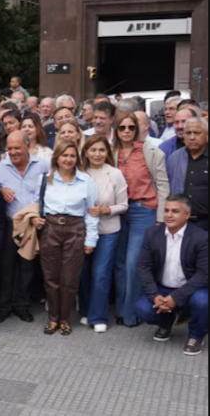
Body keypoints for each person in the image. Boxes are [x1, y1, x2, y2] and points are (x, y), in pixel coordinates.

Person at [35, 140, 99, 336]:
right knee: (51, 278)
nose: (68, 159)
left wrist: (91, 240)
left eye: (72, 156)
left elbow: (91, 212)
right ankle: (53, 318)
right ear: (57, 157)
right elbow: (36, 204)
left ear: (77, 158)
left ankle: (65, 319)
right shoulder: (45, 179)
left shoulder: (86, 181)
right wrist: (35, 219)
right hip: (50, 228)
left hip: (75, 230)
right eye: (64, 155)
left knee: (70, 279)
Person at [113, 111, 170, 328]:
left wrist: (161, 217)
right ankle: (121, 310)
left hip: (143, 210)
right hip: (118, 211)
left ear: (137, 129)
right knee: (119, 263)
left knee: (133, 263)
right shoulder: (111, 152)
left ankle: (131, 313)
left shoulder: (152, 152)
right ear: (116, 130)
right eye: (122, 127)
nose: (127, 131)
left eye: (131, 127)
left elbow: (163, 185)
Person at [134, 195, 208, 356]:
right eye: (166, 210)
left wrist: (176, 298)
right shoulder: (152, 233)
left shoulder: (201, 237)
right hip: (163, 288)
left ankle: (196, 336)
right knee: (142, 309)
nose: (169, 215)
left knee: (203, 302)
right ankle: (167, 322)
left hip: (191, 290)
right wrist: (154, 296)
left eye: (175, 211)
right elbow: (143, 266)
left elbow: (204, 274)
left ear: (187, 215)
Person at [0, 131, 50, 324]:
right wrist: (0, 190)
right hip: (12, 223)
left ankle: (22, 306)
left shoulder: (42, 165)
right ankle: (4, 307)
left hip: (33, 224)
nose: (13, 152)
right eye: (9, 148)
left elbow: (49, 191)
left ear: (27, 146)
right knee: (7, 268)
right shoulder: (2, 166)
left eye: (17, 147)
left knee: (27, 267)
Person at [79, 135, 129, 333]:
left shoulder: (115, 174)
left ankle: (99, 317)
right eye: (93, 150)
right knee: (83, 273)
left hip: (108, 231)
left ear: (107, 152)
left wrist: (106, 210)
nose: (97, 154)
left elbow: (124, 205)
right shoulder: (79, 173)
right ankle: (86, 310)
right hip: (83, 231)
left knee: (101, 274)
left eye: (101, 150)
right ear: (86, 152)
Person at [167, 117, 208, 231]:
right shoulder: (174, 158)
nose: (192, 137)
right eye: (188, 133)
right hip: (181, 222)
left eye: (197, 133)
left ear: (206, 135)